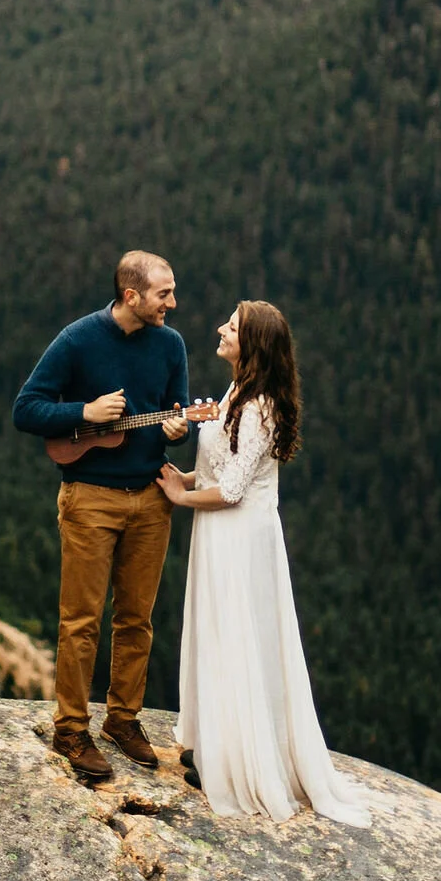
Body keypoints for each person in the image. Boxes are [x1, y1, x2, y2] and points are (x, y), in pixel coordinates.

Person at [160, 301, 373, 829]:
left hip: (239, 539)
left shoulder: (259, 407)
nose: (219, 328)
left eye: (230, 326)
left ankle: (236, 764)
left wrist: (180, 498)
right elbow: (218, 469)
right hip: (221, 532)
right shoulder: (238, 392)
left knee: (237, 639)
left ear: (251, 344)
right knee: (219, 634)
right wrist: (181, 476)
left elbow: (232, 490)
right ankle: (218, 746)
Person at [13, 250, 192, 790]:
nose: (173, 303)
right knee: (80, 621)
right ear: (131, 295)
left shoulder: (172, 344)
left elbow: (177, 408)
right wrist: (83, 413)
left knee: (137, 619)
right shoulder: (77, 339)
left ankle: (122, 719)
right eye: (164, 293)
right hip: (89, 498)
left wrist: (179, 428)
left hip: (151, 498)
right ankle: (70, 729)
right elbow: (27, 409)